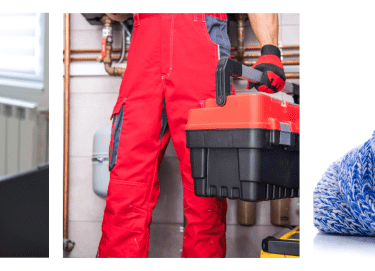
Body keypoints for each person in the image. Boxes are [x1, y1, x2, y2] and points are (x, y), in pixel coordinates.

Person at [97, 13, 283, 258]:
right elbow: (118, 13)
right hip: (145, 53)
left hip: (200, 44)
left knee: (205, 196)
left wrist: (270, 50)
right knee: (125, 190)